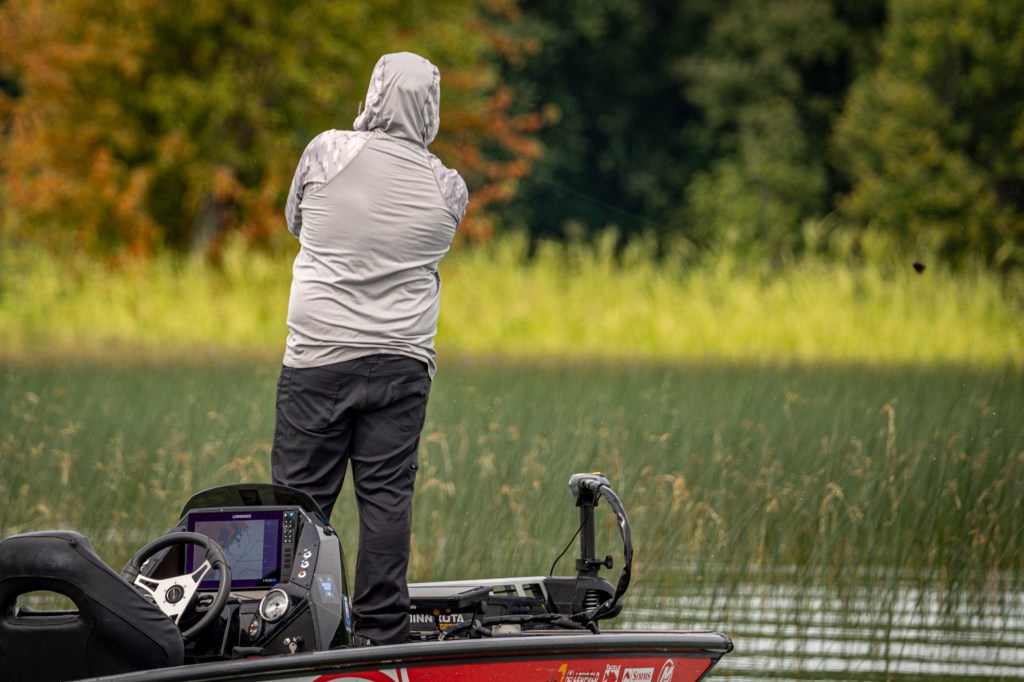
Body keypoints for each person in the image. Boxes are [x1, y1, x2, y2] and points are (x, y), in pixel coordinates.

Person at [271, 52, 468, 647]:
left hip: (318, 358)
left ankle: (286, 626)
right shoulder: (450, 188)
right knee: (386, 502)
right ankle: (383, 633)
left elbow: (296, 224)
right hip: (402, 365)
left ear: (375, 92)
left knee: (299, 503)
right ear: (431, 108)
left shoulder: (325, 151)